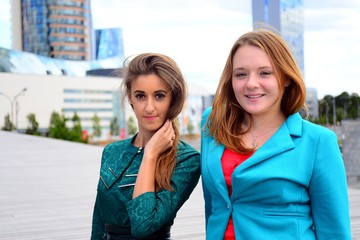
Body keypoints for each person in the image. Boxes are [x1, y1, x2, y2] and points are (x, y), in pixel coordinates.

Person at [200, 29, 352, 239]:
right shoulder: (213, 122)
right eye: (241, 74)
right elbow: (214, 206)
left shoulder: (318, 142)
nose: (251, 83)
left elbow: (334, 232)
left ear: (286, 78)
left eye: (265, 73)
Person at [91, 53, 201, 240]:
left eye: (159, 96)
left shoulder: (187, 160)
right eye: (140, 96)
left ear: (172, 99)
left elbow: (143, 225)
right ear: (130, 97)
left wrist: (150, 155)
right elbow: (99, 219)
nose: (149, 107)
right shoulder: (112, 152)